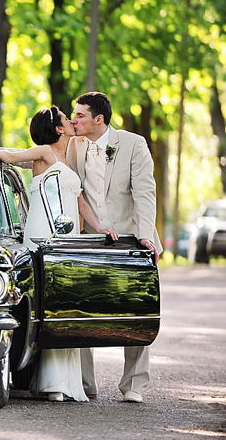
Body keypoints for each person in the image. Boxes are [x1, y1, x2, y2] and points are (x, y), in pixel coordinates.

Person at [0, 106, 117, 402]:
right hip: (45, 232)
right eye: (67, 118)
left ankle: (63, 383)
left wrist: (99, 227)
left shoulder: (65, 158)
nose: (72, 120)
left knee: (66, 302)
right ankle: (51, 383)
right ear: (59, 129)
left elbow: (79, 202)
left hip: (68, 233)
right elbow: (14, 156)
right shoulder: (44, 152)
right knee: (49, 303)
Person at [67, 91, 162, 404]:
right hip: (88, 239)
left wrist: (144, 235)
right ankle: (84, 384)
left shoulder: (133, 144)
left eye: (80, 115)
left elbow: (145, 193)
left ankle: (134, 384)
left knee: (136, 312)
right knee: (81, 310)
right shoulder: (72, 144)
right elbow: (42, 158)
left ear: (99, 118)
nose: (73, 120)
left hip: (131, 237)